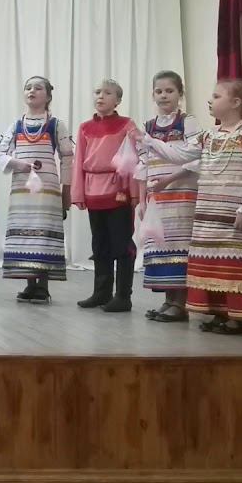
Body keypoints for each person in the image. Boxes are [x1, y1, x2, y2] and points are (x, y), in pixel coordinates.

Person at [136, 78, 242, 333]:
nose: (210, 100)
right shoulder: (209, 136)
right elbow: (181, 155)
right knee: (215, 264)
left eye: (217, 96)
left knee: (234, 262)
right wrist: (148, 140)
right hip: (210, 215)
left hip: (235, 214)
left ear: (236, 103)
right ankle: (221, 312)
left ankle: (241, 317)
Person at [0, 76, 73, 304]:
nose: (32, 91)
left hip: (47, 188)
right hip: (22, 189)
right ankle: (30, 284)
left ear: (48, 96)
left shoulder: (56, 124)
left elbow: (68, 158)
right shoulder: (16, 125)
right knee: (25, 233)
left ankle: (43, 286)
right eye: (28, 87)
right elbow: (0, 154)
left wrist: (67, 191)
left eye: (38, 88)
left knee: (44, 234)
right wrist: (18, 164)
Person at [135, 71, 199, 324]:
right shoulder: (148, 126)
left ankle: (180, 303)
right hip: (157, 197)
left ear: (180, 94)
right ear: (152, 94)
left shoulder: (187, 121)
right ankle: (169, 300)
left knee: (179, 245)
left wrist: (168, 181)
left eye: (169, 91)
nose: (163, 95)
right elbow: (143, 164)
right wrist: (142, 199)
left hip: (181, 195)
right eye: (159, 91)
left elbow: (195, 157)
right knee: (161, 244)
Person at [71, 79, 139, 313]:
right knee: (99, 243)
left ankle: (123, 296)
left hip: (118, 191)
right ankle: (101, 292)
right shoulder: (85, 127)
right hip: (93, 190)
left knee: (121, 242)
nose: (101, 96)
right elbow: (79, 161)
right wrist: (78, 192)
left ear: (118, 100)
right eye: (98, 92)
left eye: (108, 93)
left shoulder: (127, 125)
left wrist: (134, 193)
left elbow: (133, 159)